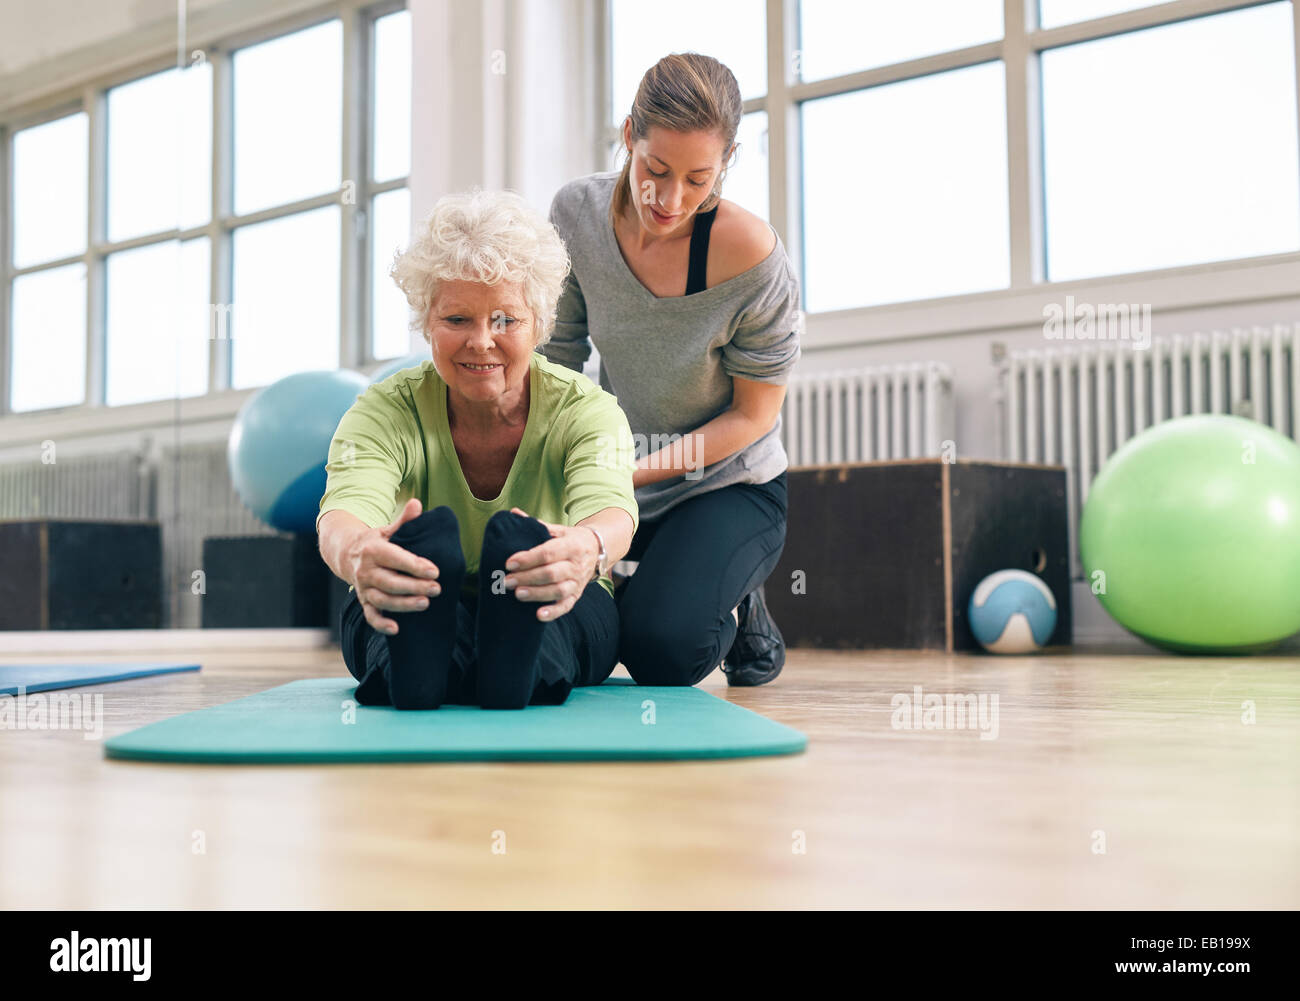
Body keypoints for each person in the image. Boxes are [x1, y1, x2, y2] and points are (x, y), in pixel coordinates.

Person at [317, 189, 638, 710]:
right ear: (427, 323)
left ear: (539, 325)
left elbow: (612, 512)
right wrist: (360, 556)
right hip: (422, 588)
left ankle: (491, 661)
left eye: (506, 320)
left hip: (551, 586)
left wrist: (586, 550)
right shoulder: (384, 409)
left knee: (547, 625)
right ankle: (447, 665)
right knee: (395, 613)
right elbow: (342, 515)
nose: (482, 341)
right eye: (457, 320)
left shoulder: (586, 409)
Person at [542, 52, 801, 687]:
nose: (672, 197)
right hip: (619, 483)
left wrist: (629, 475)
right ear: (629, 135)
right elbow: (558, 359)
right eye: (655, 170)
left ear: (728, 162)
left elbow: (753, 415)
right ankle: (674, 579)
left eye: (699, 178)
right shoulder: (576, 215)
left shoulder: (754, 258)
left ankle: (736, 598)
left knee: (662, 653)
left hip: (728, 485)